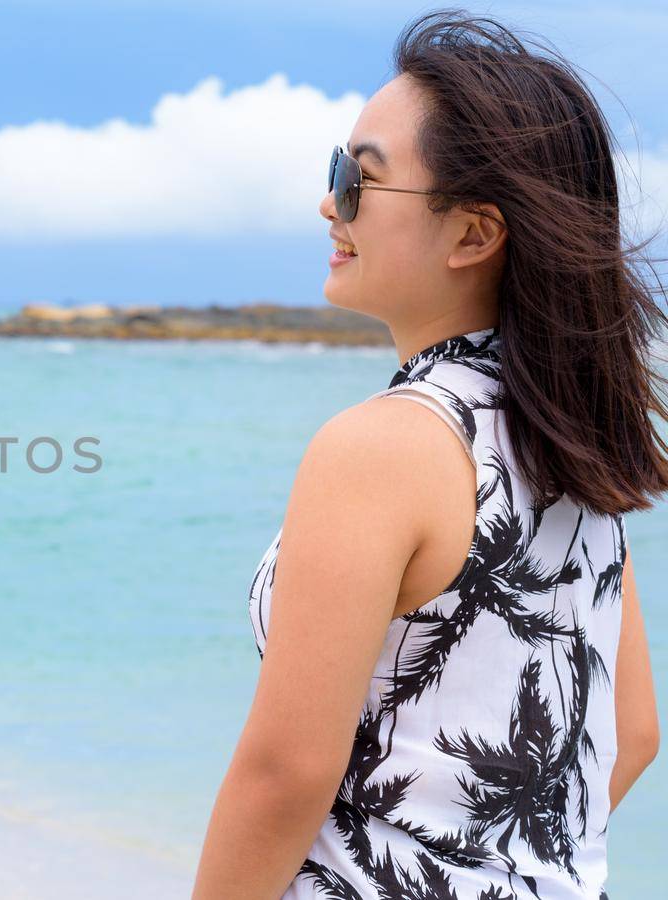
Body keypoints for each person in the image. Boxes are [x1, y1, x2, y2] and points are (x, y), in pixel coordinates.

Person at [192, 10, 667, 899]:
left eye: (359, 180)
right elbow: (630, 733)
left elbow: (284, 773)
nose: (330, 203)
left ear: (474, 234)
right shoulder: (566, 441)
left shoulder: (385, 444)